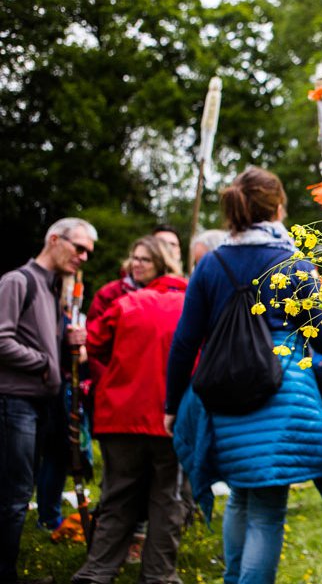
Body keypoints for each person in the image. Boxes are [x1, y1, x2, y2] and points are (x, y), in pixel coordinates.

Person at [165, 167, 322, 583]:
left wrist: (171, 405)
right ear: (278, 207)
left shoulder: (211, 264)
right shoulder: (292, 263)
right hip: (280, 399)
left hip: (222, 398)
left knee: (239, 496)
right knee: (267, 512)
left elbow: (185, 341)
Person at [71, 237, 187, 584]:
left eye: (144, 259)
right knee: (166, 500)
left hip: (121, 415)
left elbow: (91, 344)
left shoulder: (126, 303)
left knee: (118, 497)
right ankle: (158, 575)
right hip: (170, 416)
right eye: (134, 258)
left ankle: (97, 570)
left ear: (160, 264)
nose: (136, 264)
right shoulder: (190, 304)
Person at [1, 218, 96, 584]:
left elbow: (40, 340)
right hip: (14, 401)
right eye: (79, 248)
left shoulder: (52, 288)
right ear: (54, 239)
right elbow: (2, 339)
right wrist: (43, 363)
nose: (84, 257)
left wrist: (65, 343)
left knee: (19, 492)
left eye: (88, 252)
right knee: (13, 496)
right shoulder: (18, 281)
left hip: (40, 404)